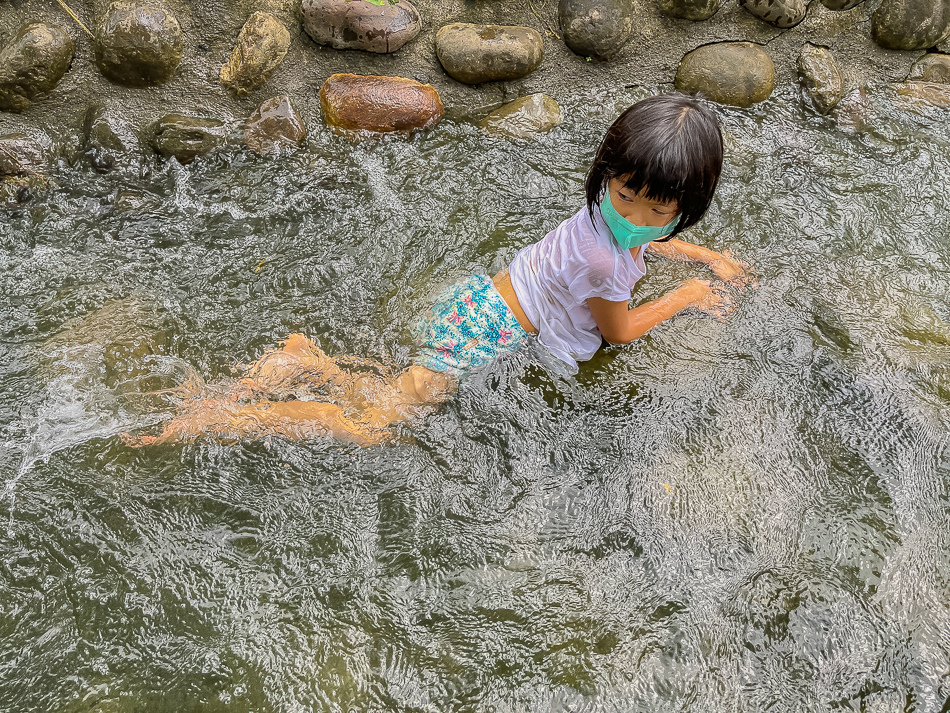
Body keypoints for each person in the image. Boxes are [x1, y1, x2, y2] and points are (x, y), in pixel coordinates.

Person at [125, 93, 754, 448]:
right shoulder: (606, 254)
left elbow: (636, 245)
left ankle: (304, 361)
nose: (637, 216)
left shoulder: (600, 218)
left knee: (390, 396)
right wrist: (688, 297)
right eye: (628, 197)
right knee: (373, 430)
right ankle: (221, 422)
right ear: (606, 175)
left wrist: (699, 255)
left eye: (658, 208)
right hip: (489, 336)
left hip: (480, 303)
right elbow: (617, 331)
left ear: (683, 209)